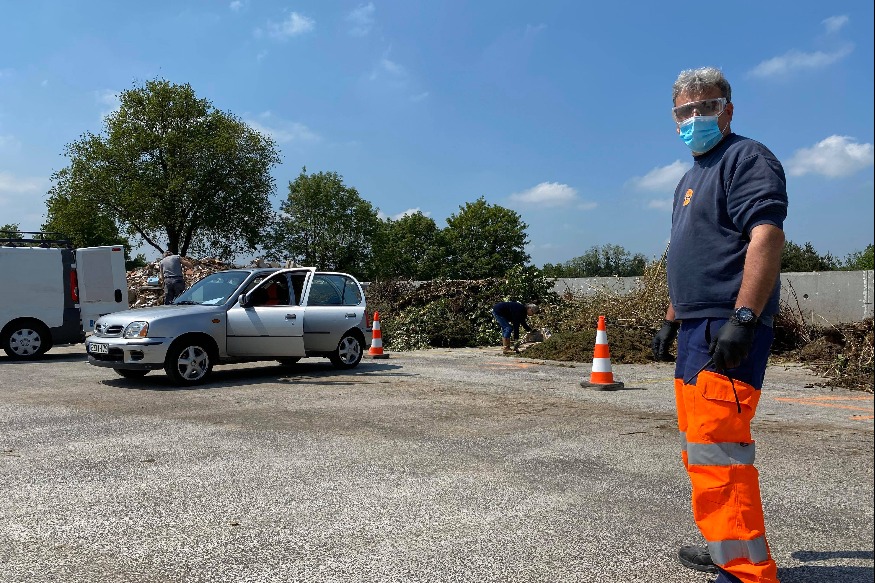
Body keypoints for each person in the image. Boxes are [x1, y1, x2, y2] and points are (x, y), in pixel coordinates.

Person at [651, 67, 788, 583]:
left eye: (703, 108)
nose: (693, 118)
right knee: (702, 449)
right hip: (694, 327)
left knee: (721, 449)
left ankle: (746, 574)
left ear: (727, 110)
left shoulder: (746, 158)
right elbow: (689, 254)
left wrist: (745, 316)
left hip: (724, 325)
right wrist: (671, 319)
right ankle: (723, 544)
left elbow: (766, 236)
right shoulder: (689, 179)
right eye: (683, 111)